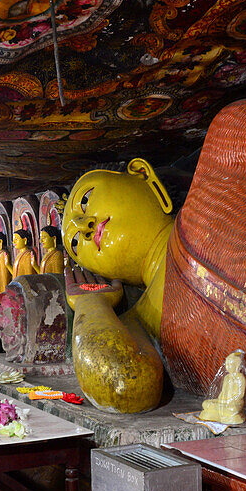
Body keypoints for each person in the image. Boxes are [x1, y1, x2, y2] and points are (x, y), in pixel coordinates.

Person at [62, 158, 173, 413]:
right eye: (76, 244)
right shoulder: (138, 321)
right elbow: (123, 386)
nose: (83, 227)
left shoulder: (214, 199)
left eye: (86, 199)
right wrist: (90, 303)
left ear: (143, 175)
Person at [198, 350, 246, 425]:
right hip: (223, 402)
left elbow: (240, 394)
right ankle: (219, 413)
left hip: (234, 403)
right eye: (226, 364)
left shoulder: (240, 378)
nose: (227, 366)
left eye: (230, 364)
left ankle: (223, 414)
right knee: (206, 403)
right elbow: (223, 391)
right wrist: (220, 400)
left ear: (237, 366)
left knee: (231, 408)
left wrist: (229, 401)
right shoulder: (227, 377)